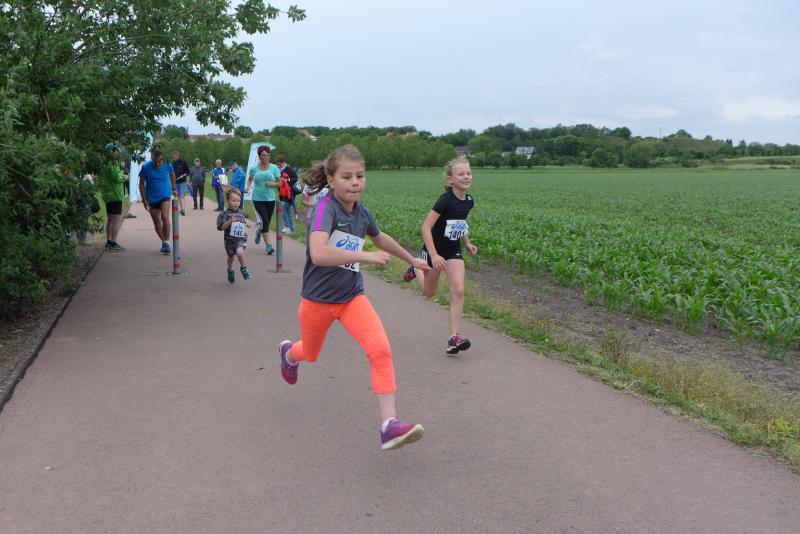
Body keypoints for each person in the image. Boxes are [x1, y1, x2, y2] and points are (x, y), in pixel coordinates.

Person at [277, 145, 430, 451]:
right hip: (317, 301)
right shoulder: (325, 210)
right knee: (310, 352)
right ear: (331, 180)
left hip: (351, 298)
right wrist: (364, 256)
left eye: (360, 175)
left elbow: (380, 237)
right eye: (347, 176)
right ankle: (289, 354)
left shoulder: (362, 213)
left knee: (380, 349)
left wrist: (411, 259)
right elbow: (319, 253)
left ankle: (389, 425)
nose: (355, 182)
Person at [403, 157, 478, 355]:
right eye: (461, 174)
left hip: (453, 250)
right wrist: (434, 255)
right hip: (433, 250)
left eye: (468, 173)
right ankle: (416, 269)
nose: (466, 176)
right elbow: (426, 227)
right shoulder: (445, 200)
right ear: (450, 179)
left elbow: (459, 223)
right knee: (429, 292)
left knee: (458, 290)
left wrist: (467, 242)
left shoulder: (469, 201)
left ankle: (453, 338)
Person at [138, 148, 176, 254]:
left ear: (162, 159)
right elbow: (141, 183)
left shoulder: (168, 165)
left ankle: (167, 242)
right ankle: (164, 242)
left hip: (165, 195)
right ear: (152, 159)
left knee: (165, 216)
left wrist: (173, 188)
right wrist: (144, 200)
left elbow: (172, 174)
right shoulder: (146, 167)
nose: (157, 164)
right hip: (151, 198)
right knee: (157, 223)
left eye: (159, 161)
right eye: (155, 162)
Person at [246, 145, 281, 254]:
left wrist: (272, 184)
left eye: (267, 155)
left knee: (267, 222)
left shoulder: (274, 168)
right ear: (259, 156)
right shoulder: (254, 169)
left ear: (269, 156)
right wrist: (247, 187)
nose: (265, 157)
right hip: (257, 198)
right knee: (265, 220)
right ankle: (268, 246)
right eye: (263, 155)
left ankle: (259, 232)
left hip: (270, 199)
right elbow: (250, 178)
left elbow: (280, 183)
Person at [217, 187, 252, 283]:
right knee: (231, 258)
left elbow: (244, 220)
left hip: (240, 239)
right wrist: (229, 221)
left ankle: (243, 268)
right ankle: (230, 270)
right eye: (233, 201)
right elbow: (221, 227)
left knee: (240, 252)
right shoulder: (224, 214)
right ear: (228, 200)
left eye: (238, 201)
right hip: (229, 241)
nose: (236, 203)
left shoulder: (241, 212)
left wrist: (247, 223)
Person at [98, 143, 126, 251]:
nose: (117, 153)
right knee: (116, 219)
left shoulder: (104, 163)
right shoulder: (112, 163)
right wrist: (125, 176)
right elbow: (116, 177)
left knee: (110, 219)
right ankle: (113, 243)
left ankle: (109, 242)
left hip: (107, 195)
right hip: (115, 195)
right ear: (112, 151)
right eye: (116, 151)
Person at [274, 154, 299, 235]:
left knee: (282, 208)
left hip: (289, 194)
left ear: (284, 162)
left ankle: (287, 227)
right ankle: (292, 230)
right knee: (287, 211)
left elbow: (295, 178)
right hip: (282, 194)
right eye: (277, 164)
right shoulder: (278, 170)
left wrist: (287, 180)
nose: (279, 166)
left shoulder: (289, 169)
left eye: (280, 164)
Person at [171, 150, 190, 216]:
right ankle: (181, 210)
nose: (175, 158)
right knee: (178, 196)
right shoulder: (172, 164)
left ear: (178, 156)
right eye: (174, 157)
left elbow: (188, 172)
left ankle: (184, 210)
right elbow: (171, 174)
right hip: (176, 182)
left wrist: (184, 175)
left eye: (176, 156)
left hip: (182, 181)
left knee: (182, 195)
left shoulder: (183, 162)